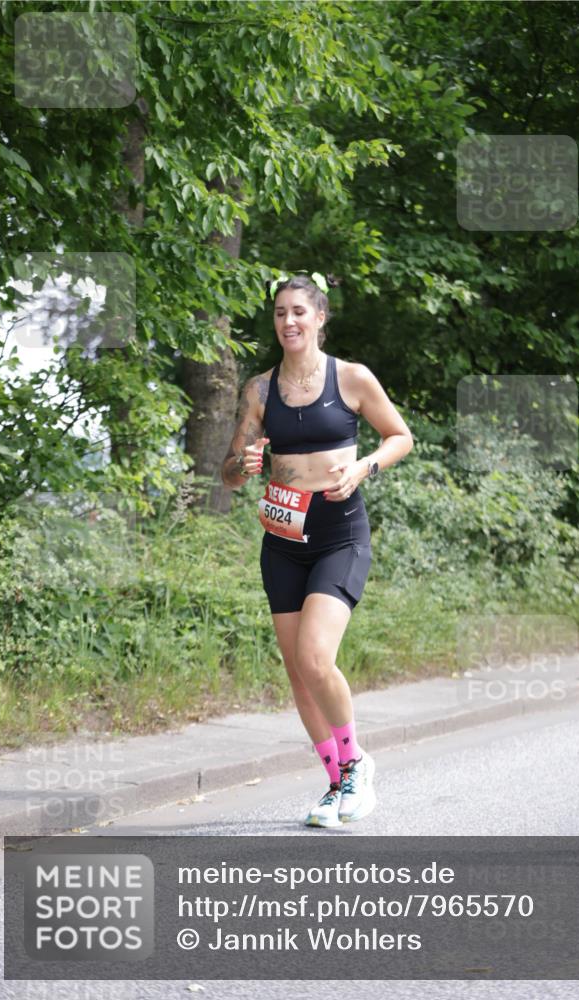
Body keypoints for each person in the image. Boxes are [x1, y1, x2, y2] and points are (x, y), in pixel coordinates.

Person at [221, 272, 413, 828]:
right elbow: (230, 472)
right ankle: (336, 784)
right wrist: (243, 465)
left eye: (299, 312)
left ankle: (356, 766)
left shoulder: (351, 377)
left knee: (315, 657)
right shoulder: (259, 390)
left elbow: (400, 436)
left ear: (320, 317)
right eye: (280, 313)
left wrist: (363, 467)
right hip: (283, 542)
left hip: (339, 534)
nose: (289, 321)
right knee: (298, 673)